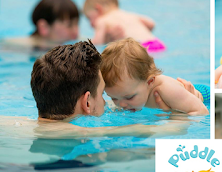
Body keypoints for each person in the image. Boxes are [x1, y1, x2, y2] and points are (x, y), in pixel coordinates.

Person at [8, 39, 194, 139]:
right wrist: (179, 113)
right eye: (104, 94)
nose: (107, 103)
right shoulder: (93, 133)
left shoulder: (10, 125)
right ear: (87, 102)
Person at [100, 38, 209, 116]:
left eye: (129, 97)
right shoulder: (132, 89)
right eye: (114, 98)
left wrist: (175, 121)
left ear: (149, 82)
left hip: (205, 96)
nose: (121, 104)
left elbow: (201, 111)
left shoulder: (167, 90)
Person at [83, 0, 165, 51]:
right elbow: (151, 24)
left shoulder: (102, 20)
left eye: (89, 18)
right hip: (157, 43)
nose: (91, 25)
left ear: (98, 9)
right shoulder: (128, 14)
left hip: (139, 48)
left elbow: (97, 44)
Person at [8, 0, 79, 50]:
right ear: (44, 27)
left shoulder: (77, 41)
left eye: (77, 23)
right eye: (69, 25)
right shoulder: (18, 47)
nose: (76, 30)